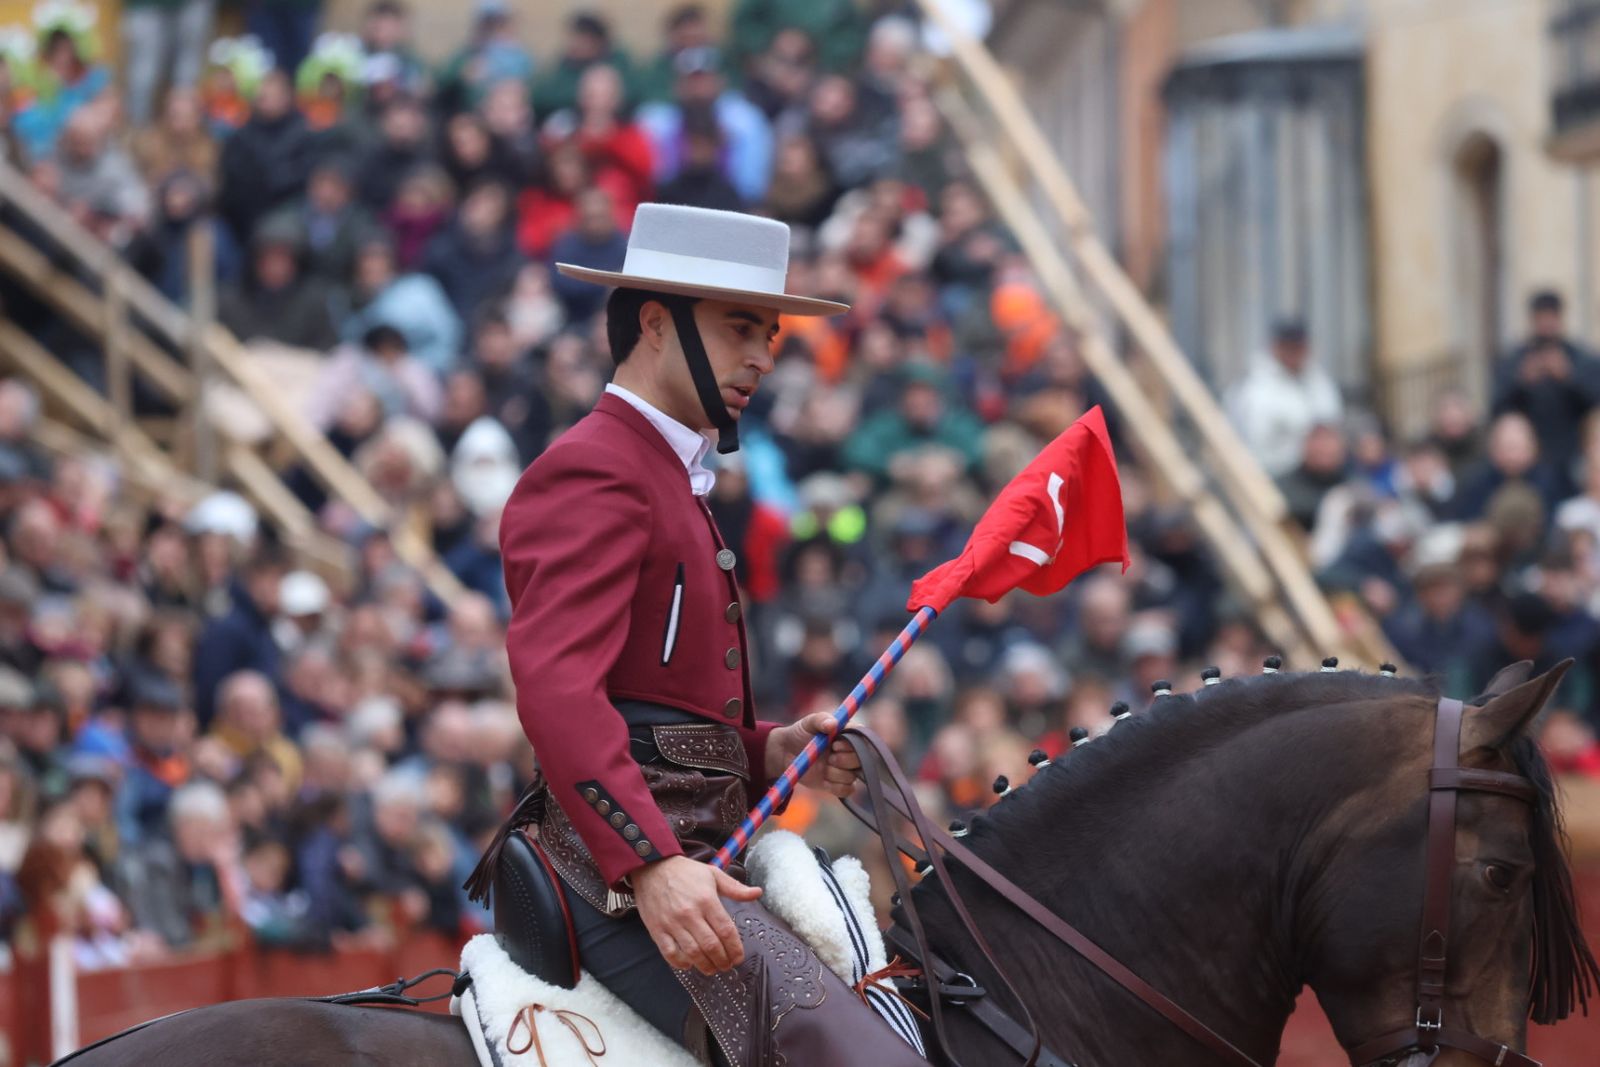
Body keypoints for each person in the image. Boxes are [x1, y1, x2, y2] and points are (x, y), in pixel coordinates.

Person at [478, 203, 926, 1064]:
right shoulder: (597, 465)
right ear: (656, 322)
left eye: (770, 333)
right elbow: (558, 689)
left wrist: (767, 750)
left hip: (696, 848)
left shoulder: (667, 473)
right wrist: (649, 865)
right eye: (740, 329)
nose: (763, 356)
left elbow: (657, 706)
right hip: (611, 874)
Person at [1226, 319, 1344, 479]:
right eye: (1288, 347)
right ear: (1276, 347)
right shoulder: (1254, 388)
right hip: (1272, 477)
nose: (1293, 353)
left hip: (1321, 476)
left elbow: (1332, 424)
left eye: (1298, 346)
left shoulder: (1319, 381)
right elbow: (1255, 443)